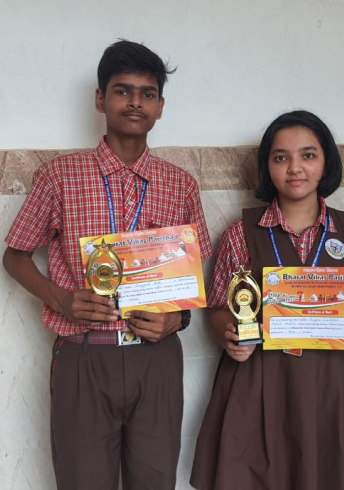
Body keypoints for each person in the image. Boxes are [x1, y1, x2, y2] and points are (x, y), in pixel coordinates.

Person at [3, 40, 212, 490]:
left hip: (156, 359)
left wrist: (177, 319)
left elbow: (192, 278)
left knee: (154, 481)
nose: (135, 102)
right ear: (100, 99)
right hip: (83, 354)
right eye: (122, 91)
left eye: (147, 93)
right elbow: (14, 256)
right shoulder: (60, 176)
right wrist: (60, 298)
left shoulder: (181, 184)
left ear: (160, 107)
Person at [190, 110, 344, 490]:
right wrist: (228, 335)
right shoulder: (239, 233)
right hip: (258, 381)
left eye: (308, 155)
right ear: (267, 167)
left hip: (334, 385)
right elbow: (217, 307)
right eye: (280, 157)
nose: (295, 167)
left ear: (326, 163)